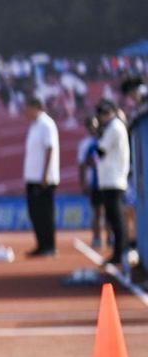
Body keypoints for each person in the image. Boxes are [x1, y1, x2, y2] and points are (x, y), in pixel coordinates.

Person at [94, 99, 131, 268]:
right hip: (111, 180)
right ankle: (120, 252)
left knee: (116, 219)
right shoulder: (115, 127)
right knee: (115, 218)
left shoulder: (114, 127)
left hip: (113, 180)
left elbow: (100, 150)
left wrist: (98, 131)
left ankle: (120, 252)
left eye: (103, 114)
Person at [22, 95, 60, 258]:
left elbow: (50, 148)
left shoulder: (47, 124)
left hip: (44, 179)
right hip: (32, 177)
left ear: (36, 108)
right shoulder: (34, 125)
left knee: (45, 213)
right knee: (35, 213)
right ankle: (41, 245)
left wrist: (46, 174)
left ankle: (50, 246)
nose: (26, 112)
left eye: (28, 109)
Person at [77, 115, 104, 249]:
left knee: (109, 211)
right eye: (90, 125)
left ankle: (110, 237)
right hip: (94, 182)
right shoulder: (86, 144)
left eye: (95, 124)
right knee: (97, 211)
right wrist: (83, 183)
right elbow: (82, 165)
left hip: (107, 181)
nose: (93, 128)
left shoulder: (104, 139)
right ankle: (97, 237)